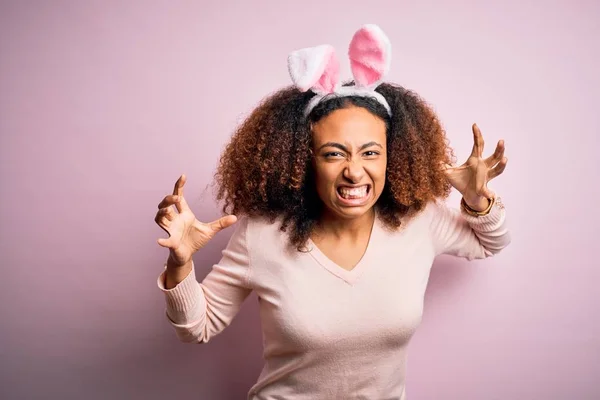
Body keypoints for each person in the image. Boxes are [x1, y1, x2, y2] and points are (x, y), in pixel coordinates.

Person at [154, 24, 510, 400]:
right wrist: (180, 264)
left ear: (394, 156)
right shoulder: (261, 234)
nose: (354, 171)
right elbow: (196, 327)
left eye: (370, 152)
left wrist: (476, 199)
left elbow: (490, 242)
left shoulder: (419, 222)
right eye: (334, 153)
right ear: (305, 160)